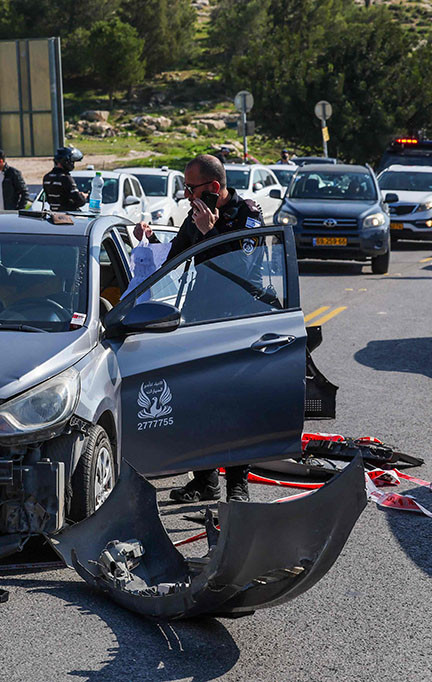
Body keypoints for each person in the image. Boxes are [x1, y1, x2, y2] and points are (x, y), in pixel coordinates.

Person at [133, 153, 264, 503]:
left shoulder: (247, 214)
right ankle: (205, 479)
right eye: (185, 189)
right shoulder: (195, 216)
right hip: (200, 319)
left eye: (191, 189)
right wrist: (146, 241)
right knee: (197, 400)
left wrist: (213, 232)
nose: (187, 196)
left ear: (214, 187)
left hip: (237, 321)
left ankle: (238, 482)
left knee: (235, 405)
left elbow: (243, 265)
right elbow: (172, 257)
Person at [43, 147, 86, 212]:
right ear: (66, 161)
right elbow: (79, 201)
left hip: (54, 214)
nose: (73, 164)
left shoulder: (47, 177)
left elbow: (51, 198)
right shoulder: (65, 178)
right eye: (72, 162)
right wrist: (83, 197)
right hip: (67, 216)